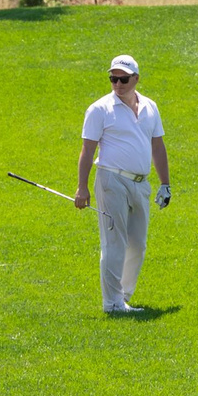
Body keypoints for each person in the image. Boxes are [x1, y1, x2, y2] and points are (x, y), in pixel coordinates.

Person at [74, 54, 170, 313]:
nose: (118, 84)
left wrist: (165, 183)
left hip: (141, 184)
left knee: (138, 244)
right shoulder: (99, 109)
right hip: (111, 180)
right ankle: (112, 303)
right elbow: (87, 151)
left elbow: (157, 146)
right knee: (114, 243)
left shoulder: (150, 106)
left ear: (136, 79)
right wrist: (82, 187)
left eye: (123, 79)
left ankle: (123, 296)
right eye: (113, 79)